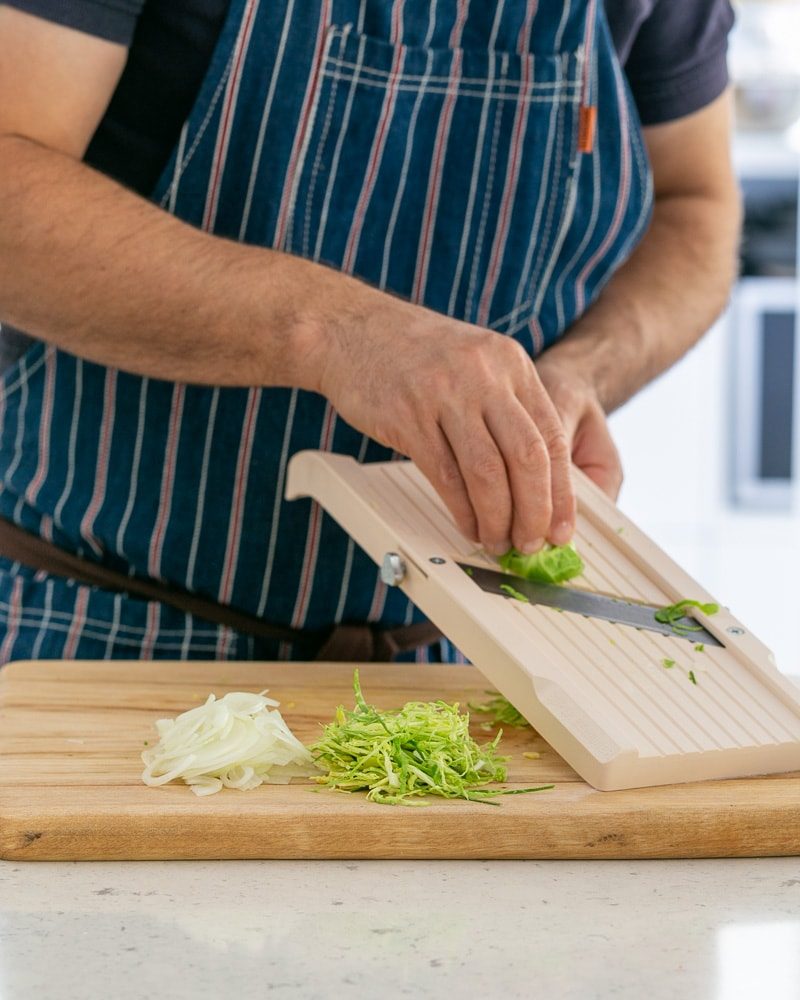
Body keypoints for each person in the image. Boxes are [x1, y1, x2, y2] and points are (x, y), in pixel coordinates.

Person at [0, 0, 741, 663]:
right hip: (92, 633)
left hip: (477, 653)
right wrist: (338, 332)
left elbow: (698, 206)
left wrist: (583, 372)